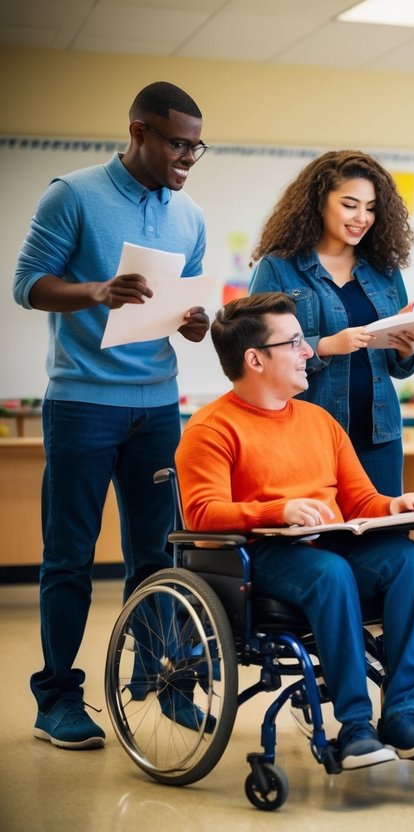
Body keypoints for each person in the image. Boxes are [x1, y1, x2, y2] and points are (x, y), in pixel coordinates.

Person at [13, 81, 211, 750]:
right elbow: (28, 285)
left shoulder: (190, 217)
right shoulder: (73, 194)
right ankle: (57, 701)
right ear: (139, 133)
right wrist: (96, 289)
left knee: (159, 553)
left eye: (196, 146)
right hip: (82, 404)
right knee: (68, 556)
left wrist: (193, 323)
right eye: (177, 143)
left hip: (158, 406)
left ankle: (160, 679)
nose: (187, 157)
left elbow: (182, 308)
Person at [176, 292, 414, 770]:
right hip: (260, 557)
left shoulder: (319, 421)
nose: (308, 351)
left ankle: (404, 713)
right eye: (295, 342)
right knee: (329, 574)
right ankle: (356, 725)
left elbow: (361, 501)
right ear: (254, 359)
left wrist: (395, 504)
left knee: (409, 561)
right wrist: (278, 511)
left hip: (332, 546)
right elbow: (201, 515)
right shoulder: (210, 427)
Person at [248, 150, 414, 496]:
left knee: (381, 541)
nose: (362, 217)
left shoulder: (385, 272)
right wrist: (324, 346)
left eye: (371, 207)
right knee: (319, 541)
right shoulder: (279, 267)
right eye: (350, 204)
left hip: (379, 437)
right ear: (319, 201)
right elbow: (252, 347)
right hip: (305, 435)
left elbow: (397, 368)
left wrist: (409, 348)